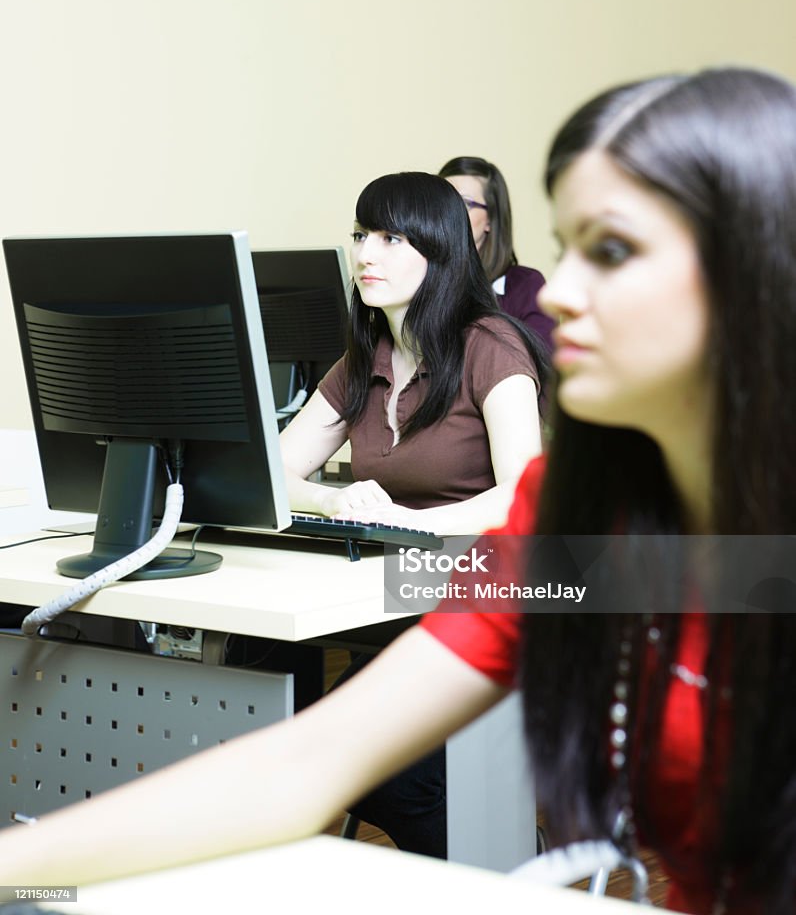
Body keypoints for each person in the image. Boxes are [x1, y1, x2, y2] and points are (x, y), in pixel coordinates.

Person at [2, 66, 795, 915]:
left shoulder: (492, 349)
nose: (557, 294)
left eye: (610, 251)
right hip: (411, 578)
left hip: (423, 572)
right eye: (567, 250)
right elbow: (308, 763)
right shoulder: (571, 513)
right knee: (287, 689)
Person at [280, 170, 545, 535]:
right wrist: (329, 500)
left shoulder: (493, 347)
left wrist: (414, 524)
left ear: (440, 250)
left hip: (479, 571)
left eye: (391, 238)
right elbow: (272, 471)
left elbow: (523, 496)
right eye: (360, 236)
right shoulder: (365, 359)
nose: (364, 255)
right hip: (391, 568)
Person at [439, 155, 555, 352]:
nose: (450, 212)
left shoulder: (525, 285)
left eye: (465, 203)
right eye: (443, 201)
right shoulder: (414, 279)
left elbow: (543, 366)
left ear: (490, 220)